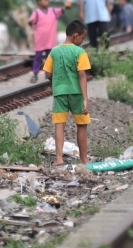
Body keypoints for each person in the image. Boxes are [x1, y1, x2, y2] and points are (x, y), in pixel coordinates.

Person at [43, 20, 90, 165]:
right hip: (76, 93)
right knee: (81, 126)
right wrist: (85, 99)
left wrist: (58, 79)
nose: (82, 41)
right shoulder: (80, 52)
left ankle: (59, 159)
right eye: (82, 38)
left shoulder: (54, 51)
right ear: (75, 35)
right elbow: (82, 75)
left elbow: (48, 74)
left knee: (59, 125)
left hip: (60, 93)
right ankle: (83, 159)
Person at [28, 0, 64, 84]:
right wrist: (31, 22)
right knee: (38, 58)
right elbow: (31, 21)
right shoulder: (36, 13)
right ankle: (35, 74)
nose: (47, 2)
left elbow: (62, 11)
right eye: (45, 0)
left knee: (50, 58)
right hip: (40, 41)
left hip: (50, 41)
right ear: (39, 2)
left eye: (48, 0)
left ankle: (48, 74)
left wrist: (67, 5)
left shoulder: (53, 11)